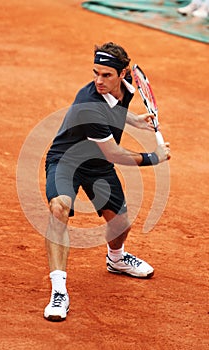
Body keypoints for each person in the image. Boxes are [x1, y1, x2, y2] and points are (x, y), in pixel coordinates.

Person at [43, 42, 171, 322]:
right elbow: (114, 152)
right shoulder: (88, 102)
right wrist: (154, 157)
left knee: (121, 223)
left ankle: (116, 259)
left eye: (106, 75)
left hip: (97, 165)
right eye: (95, 73)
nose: (99, 81)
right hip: (66, 160)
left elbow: (113, 111)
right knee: (59, 208)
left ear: (123, 74)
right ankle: (59, 291)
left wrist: (134, 120)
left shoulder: (127, 88)